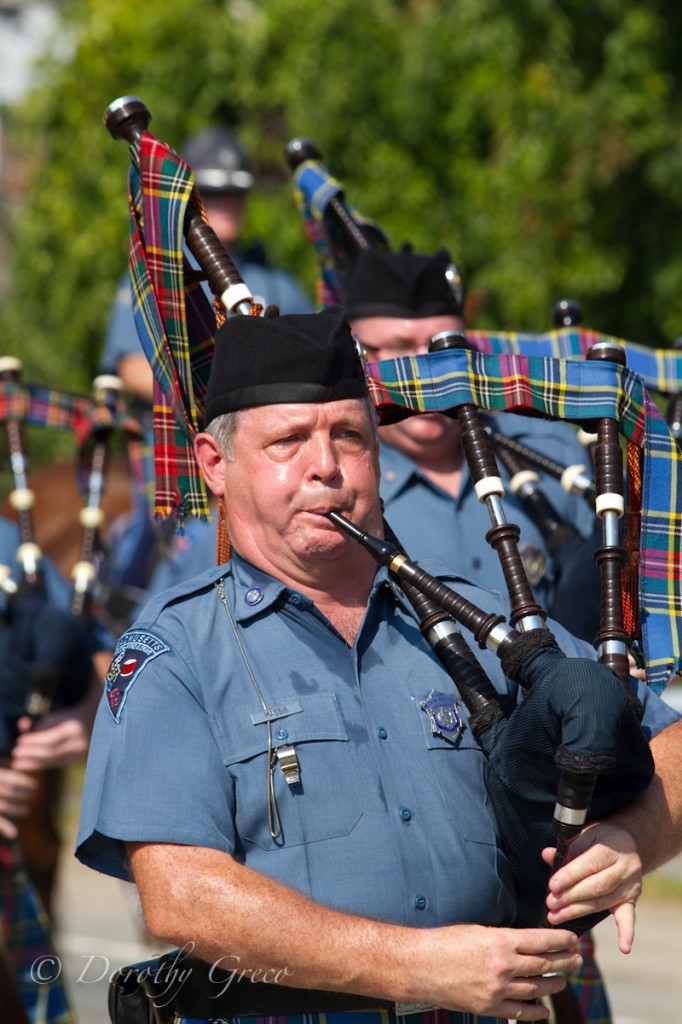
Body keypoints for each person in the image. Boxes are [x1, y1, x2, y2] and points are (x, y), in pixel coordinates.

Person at [76, 307, 682, 1024]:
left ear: (378, 457)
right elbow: (181, 895)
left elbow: (671, 741)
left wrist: (630, 840)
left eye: (349, 436)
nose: (325, 465)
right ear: (214, 464)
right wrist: (420, 967)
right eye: (288, 441)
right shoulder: (178, 650)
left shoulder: (476, 621)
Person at [99, 125, 314, 612]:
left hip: (276, 456)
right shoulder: (159, 274)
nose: (226, 203)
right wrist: (214, 385)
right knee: (184, 546)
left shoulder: (278, 282)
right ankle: (132, 630)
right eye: (213, 193)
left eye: (234, 193)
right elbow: (129, 366)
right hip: (186, 461)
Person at [346, 247, 601, 641]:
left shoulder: (553, 450)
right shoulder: (337, 481)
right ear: (357, 355)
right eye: (398, 348)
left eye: (440, 348)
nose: (426, 371)